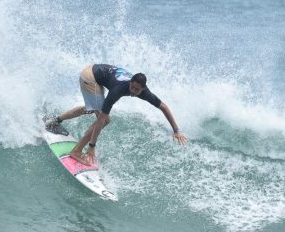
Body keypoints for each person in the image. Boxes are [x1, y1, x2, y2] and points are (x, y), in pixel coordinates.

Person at [46, 64, 188, 165]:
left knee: (92, 108)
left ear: (143, 89)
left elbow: (163, 107)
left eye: (137, 89)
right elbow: (101, 120)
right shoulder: (118, 90)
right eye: (131, 86)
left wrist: (176, 130)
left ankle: (56, 120)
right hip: (90, 77)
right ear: (130, 82)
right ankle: (76, 151)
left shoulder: (146, 94)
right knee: (105, 119)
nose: (132, 91)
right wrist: (92, 146)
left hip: (95, 74)